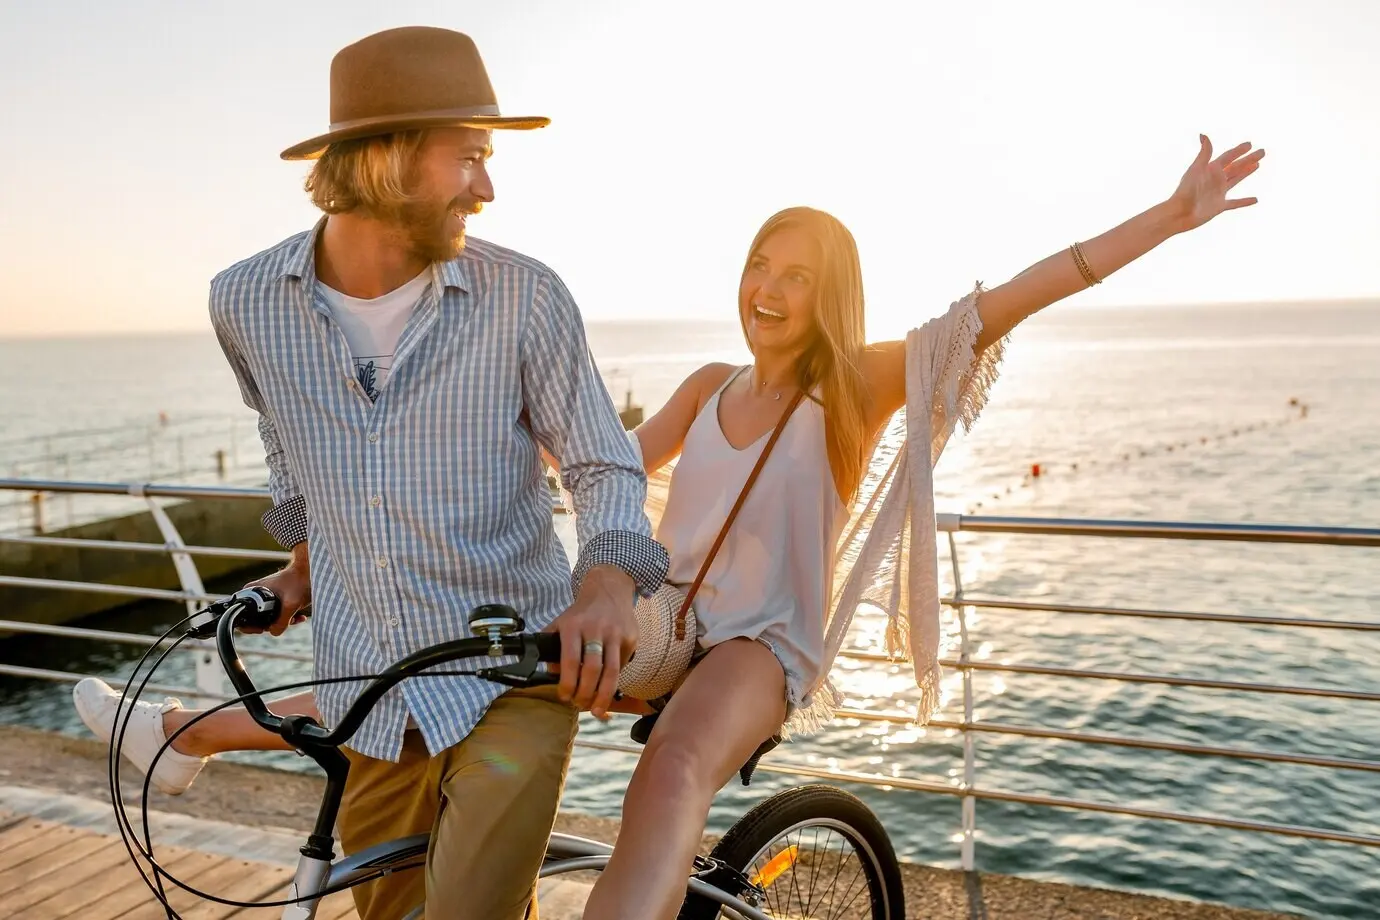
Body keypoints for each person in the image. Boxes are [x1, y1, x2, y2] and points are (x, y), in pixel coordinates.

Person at [78, 93, 1266, 920]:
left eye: (800, 276)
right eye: (761, 262)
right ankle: (182, 737)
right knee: (454, 657)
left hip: (756, 643)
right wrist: (381, 532)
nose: (770, 288)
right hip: (661, 621)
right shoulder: (704, 386)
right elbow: (590, 472)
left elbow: (1009, 299)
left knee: (677, 765)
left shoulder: (851, 387)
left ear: (833, 296)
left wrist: (1169, 217)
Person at [75, 26, 669, 920]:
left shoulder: (526, 296)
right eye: (469, 156)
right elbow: (289, 445)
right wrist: (307, 565)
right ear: (387, 161)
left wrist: (610, 584)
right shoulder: (243, 301)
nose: (488, 187)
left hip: (511, 672)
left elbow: (602, 460)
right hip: (366, 693)